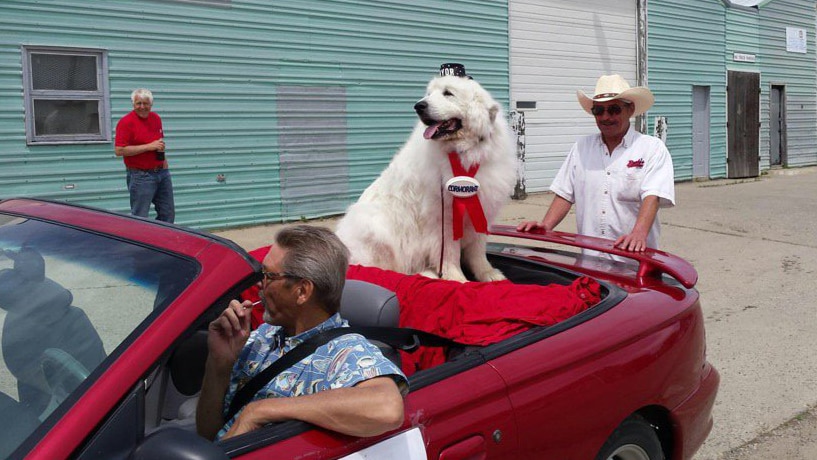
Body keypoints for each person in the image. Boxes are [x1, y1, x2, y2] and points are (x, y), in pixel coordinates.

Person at [196, 225, 407, 441]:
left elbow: (388, 408)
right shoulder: (263, 336)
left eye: (269, 275)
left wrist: (262, 410)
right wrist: (219, 362)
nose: (260, 283)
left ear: (302, 291)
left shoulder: (345, 353)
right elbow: (209, 433)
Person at [517, 74, 675, 258]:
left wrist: (638, 233)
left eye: (614, 109)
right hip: (590, 262)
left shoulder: (651, 149)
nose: (605, 117)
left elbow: (652, 196)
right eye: (598, 110)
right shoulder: (582, 148)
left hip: (635, 261)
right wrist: (546, 225)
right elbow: (565, 194)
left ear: (630, 109)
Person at [114, 88, 175, 223]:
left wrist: (164, 162)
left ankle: (161, 241)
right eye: (138, 103)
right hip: (141, 176)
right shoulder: (126, 123)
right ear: (133, 104)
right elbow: (119, 150)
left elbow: (159, 143)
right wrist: (148, 147)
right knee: (140, 216)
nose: (142, 107)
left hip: (161, 173)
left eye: (145, 103)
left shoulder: (156, 118)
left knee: (167, 213)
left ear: (151, 105)